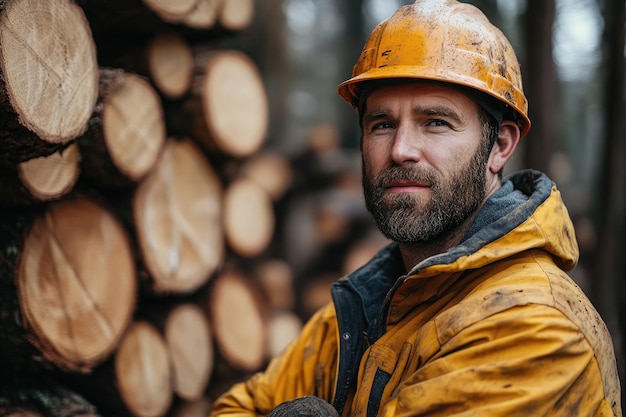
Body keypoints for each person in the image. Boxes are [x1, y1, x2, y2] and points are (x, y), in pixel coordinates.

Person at [210, 0, 622, 416]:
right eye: (383, 124)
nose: (401, 150)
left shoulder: (534, 328)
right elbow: (238, 407)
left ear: (500, 145)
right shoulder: (366, 310)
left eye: (436, 122)